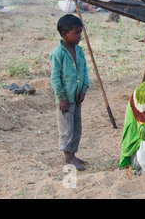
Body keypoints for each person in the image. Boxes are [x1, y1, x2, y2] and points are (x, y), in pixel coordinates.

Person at [50, 14, 90, 171]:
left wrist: (84, 89)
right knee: (66, 129)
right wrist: (61, 98)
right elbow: (55, 78)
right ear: (64, 34)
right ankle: (67, 159)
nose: (79, 36)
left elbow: (85, 71)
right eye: (76, 33)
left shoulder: (78, 51)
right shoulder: (57, 53)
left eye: (80, 32)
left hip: (76, 97)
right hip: (66, 99)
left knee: (76, 127)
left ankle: (72, 154)